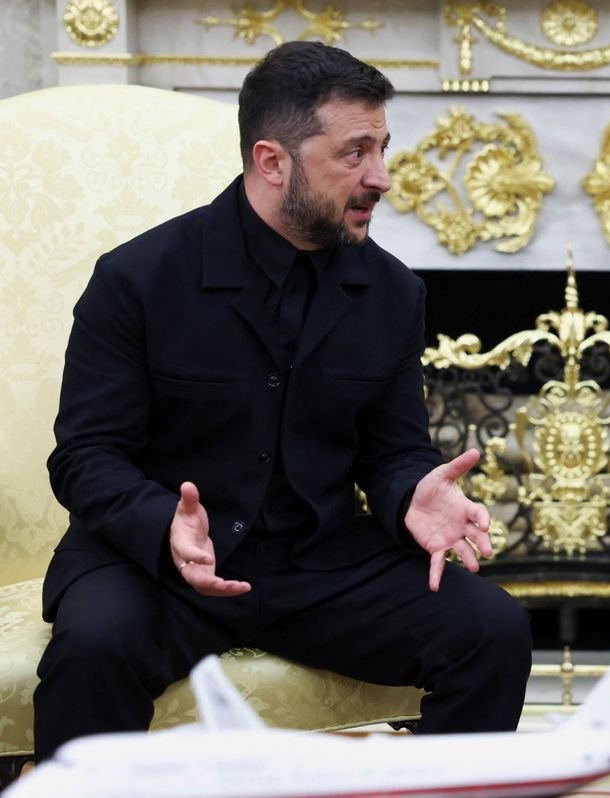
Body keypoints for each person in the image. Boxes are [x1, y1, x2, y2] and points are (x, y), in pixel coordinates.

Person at [35, 41, 532, 760]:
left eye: (383, 149)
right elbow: (85, 456)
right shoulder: (138, 279)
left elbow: (393, 451)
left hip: (319, 565)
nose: (382, 178)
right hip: (155, 567)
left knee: (490, 631)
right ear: (273, 161)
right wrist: (161, 526)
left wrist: (409, 498)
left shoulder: (393, 294)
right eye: (355, 154)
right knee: (95, 646)